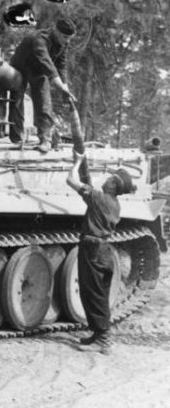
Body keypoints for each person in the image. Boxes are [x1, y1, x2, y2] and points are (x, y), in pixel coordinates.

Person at [67, 151, 136, 355]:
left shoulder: (98, 198)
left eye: (111, 179)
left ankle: (104, 340)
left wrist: (77, 162)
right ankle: (99, 335)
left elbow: (70, 180)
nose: (106, 179)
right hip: (105, 251)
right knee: (101, 294)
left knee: (92, 294)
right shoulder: (114, 204)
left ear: (114, 185)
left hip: (92, 249)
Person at [9, 17, 77, 153]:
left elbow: (61, 66)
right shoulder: (39, 39)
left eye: (69, 38)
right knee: (17, 101)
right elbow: (47, 64)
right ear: (56, 31)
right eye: (65, 37)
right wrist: (61, 88)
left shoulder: (63, 43)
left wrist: (65, 89)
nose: (67, 41)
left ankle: (45, 140)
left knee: (44, 101)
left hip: (38, 70)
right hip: (20, 67)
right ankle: (17, 139)